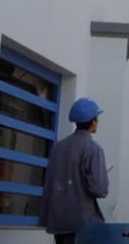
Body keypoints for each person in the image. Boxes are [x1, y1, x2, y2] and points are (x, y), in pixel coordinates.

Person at [40, 97, 110, 244]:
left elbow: (50, 182)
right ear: (92, 121)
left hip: (59, 222)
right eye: (97, 118)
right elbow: (99, 189)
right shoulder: (93, 149)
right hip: (83, 224)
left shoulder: (58, 148)